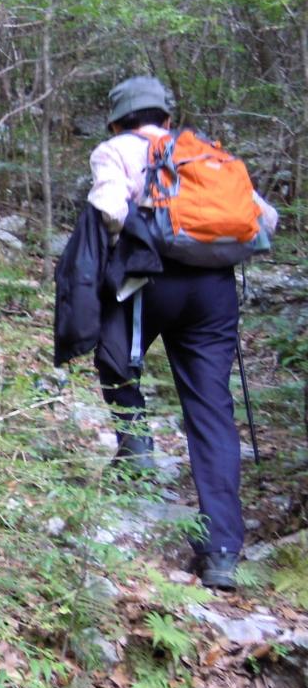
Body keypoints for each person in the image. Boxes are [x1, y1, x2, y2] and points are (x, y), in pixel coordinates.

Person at [86, 75, 278, 590]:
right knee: (211, 410)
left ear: (116, 122)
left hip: (150, 281)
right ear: (167, 118)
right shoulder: (205, 153)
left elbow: (109, 210)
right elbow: (266, 219)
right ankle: (221, 553)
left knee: (113, 354)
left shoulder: (115, 150)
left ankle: (136, 445)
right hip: (214, 294)